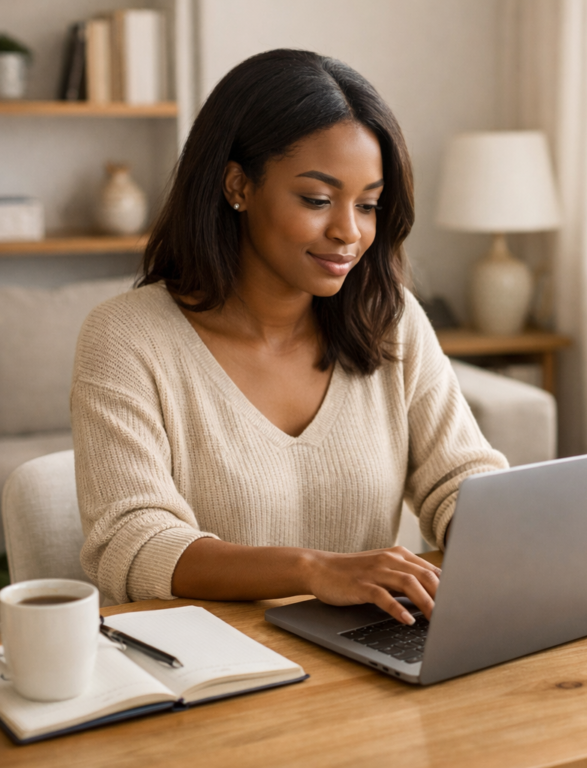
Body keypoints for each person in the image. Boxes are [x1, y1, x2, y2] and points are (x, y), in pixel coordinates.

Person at [71, 49, 507, 621]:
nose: (349, 231)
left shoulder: (388, 317)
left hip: (366, 649)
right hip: (211, 660)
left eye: (369, 205)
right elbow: (133, 543)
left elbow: (459, 477)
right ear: (238, 185)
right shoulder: (126, 338)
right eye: (317, 200)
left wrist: (510, 531)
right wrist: (313, 570)